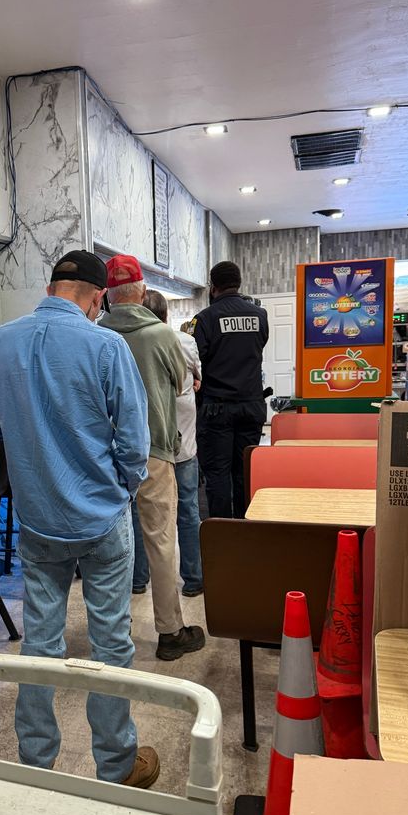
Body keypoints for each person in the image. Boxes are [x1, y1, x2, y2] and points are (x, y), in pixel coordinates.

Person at [0, 249, 160, 789]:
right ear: (98, 297)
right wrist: (119, 490)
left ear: (54, 285)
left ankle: (36, 762)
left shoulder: (0, 341)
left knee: (40, 641)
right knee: (111, 643)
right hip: (101, 518)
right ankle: (118, 762)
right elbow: (134, 444)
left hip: (36, 519)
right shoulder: (106, 345)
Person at [99, 254, 206, 661]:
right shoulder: (162, 335)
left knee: (112, 544)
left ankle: (114, 630)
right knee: (161, 540)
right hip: (154, 451)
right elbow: (182, 383)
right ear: (142, 292)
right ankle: (170, 633)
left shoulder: (97, 334)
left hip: (104, 458)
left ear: (107, 297)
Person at [131, 293, 204, 598]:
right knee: (187, 509)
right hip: (181, 439)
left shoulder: (124, 342)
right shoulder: (184, 341)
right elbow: (195, 378)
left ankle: (138, 578)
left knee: (138, 512)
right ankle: (193, 578)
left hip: (145, 442)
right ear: (164, 316)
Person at [192, 260, 269, 519]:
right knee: (244, 473)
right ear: (238, 283)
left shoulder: (205, 319)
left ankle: (223, 535)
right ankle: (247, 531)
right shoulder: (260, 316)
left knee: (218, 475)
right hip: (251, 406)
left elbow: (195, 361)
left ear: (213, 286)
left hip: (217, 409)